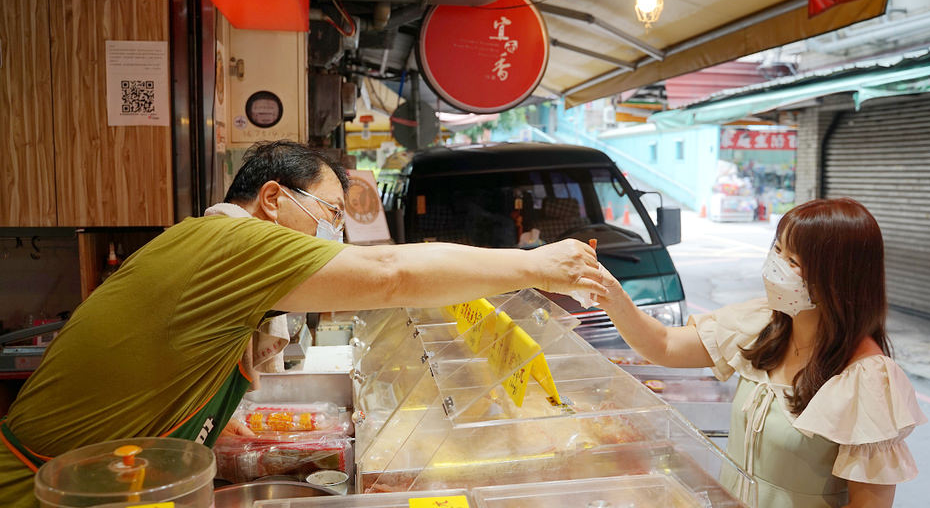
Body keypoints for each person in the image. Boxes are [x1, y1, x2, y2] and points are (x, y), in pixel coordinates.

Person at [0, 140, 605, 507]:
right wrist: (535, 264)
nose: (334, 235)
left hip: (99, 484)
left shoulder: (219, 254)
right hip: (39, 492)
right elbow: (390, 271)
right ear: (271, 199)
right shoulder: (230, 242)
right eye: (330, 215)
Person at [595, 198, 926, 508]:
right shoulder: (763, 326)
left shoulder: (866, 378)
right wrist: (608, 291)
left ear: (837, 280)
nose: (775, 267)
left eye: (792, 261)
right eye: (777, 250)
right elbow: (664, 345)